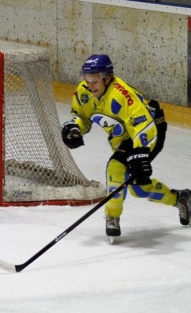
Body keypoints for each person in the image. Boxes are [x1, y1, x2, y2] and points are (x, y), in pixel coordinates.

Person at [61, 54, 191, 237]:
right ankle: (181, 199)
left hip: (149, 131)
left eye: (95, 81)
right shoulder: (84, 92)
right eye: (88, 79)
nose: (90, 85)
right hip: (124, 138)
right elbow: (83, 116)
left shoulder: (122, 95)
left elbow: (144, 125)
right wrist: (75, 128)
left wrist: (139, 152)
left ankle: (112, 216)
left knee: (115, 167)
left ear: (107, 78)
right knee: (139, 188)